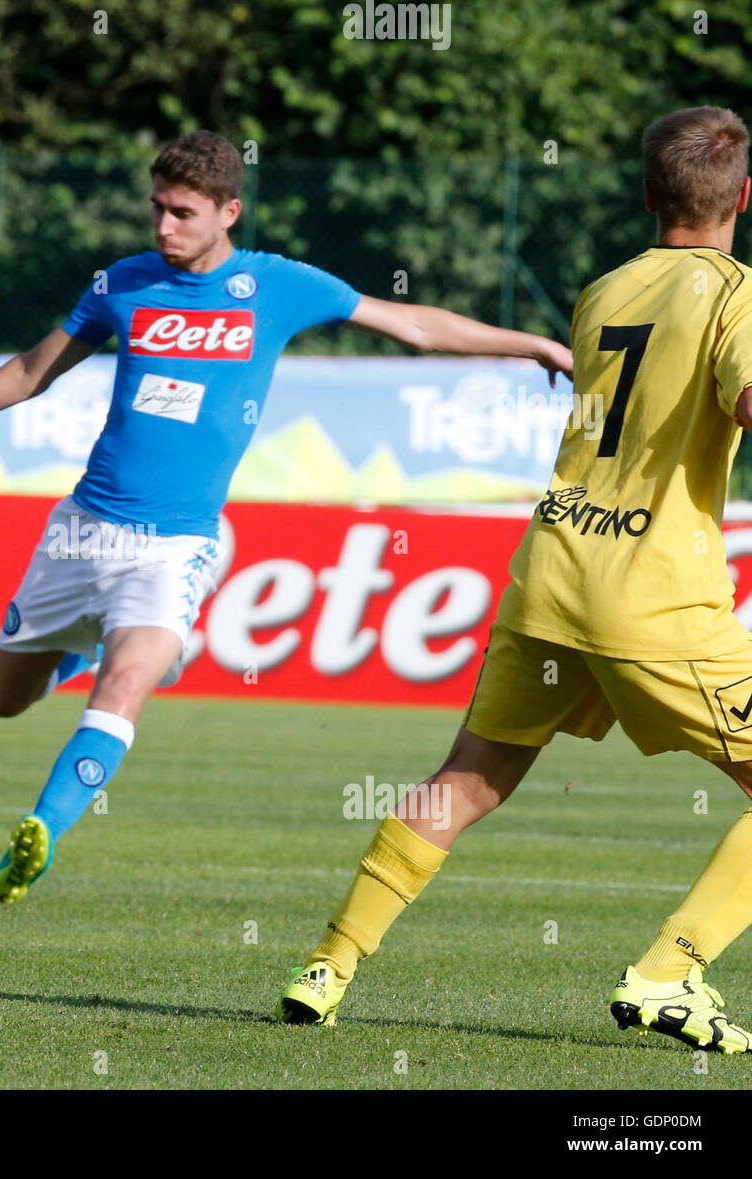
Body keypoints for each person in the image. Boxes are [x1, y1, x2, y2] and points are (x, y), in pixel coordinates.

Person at [0, 130, 572, 906]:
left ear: (229, 210)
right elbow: (30, 371)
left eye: (182, 213)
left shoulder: (278, 285)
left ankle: (41, 834)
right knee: (1, 699)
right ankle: (91, 653)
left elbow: (416, 325)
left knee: (127, 686)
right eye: (157, 208)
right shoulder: (122, 284)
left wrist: (532, 344)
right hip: (82, 531)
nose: (164, 227)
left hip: (174, 546)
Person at [279, 106, 752, 1055]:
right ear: (743, 197)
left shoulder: (604, 287)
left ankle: (328, 965)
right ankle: (671, 970)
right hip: (650, 591)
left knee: (470, 776)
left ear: (648, 195)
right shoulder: (737, 292)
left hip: (552, 568)